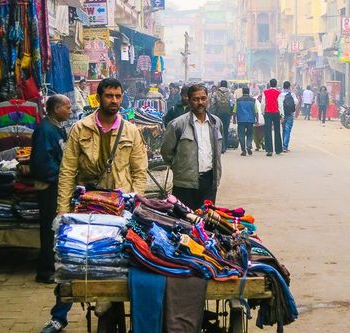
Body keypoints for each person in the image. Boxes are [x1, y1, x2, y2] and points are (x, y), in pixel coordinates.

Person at [41, 78, 148, 333]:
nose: (114, 100)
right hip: (86, 203)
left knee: (120, 257)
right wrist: (62, 210)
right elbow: (67, 171)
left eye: (118, 96)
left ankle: (111, 300)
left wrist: (132, 204)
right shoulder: (80, 128)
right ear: (98, 98)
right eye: (109, 95)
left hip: (118, 206)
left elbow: (139, 173)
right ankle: (59, 316)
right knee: (72, 258)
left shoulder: (131, 131)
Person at [30, 95, 72, 285]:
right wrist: (61, 177)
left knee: (56, 227)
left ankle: (54, 266)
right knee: (49, 228)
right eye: (67, 107)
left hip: (57, 184)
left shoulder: (57, 127)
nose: (70, 110)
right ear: (56, 109)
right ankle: (45, 270)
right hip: (49, 186)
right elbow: (42, 162)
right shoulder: (45, 130)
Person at [161, 84, 223, 210]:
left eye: (203, 98)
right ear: (189, 101)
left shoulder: (216, 123)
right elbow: (166, 152)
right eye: (195, 99)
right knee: (185, 222)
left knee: (206, 221)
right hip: (185, 184)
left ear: (208, 99)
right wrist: (179, 167)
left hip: (209, 182)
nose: (200, 102)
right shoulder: (177, 125)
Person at [233, 86, 258, 156]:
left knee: (241, 135)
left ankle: (243, 150)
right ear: (249, 92)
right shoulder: (253, 100)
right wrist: (257, 120)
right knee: (250, 134)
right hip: (250, 120)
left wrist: (234, 119)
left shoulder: (238, 100)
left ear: (243, 92)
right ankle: (249, 145)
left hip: (241, 120)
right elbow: (256, 111)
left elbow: (234, 111)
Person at [210, 80, 233, 153]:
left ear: (220, 85)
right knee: (226, 130)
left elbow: (213, 104)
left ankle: (219, 147)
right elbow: (232, 104)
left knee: (218, 130)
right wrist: (231, 113)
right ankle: (225, 147)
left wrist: (212, 114)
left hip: (218, 114)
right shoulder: (230, 94)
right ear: (226, 85)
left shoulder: (215, 93)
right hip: (227, 114)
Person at [261, 79, 282, 156]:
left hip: (268, 112)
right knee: (277, 130)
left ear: (270, 84)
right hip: (276, 113)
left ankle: (269, 150)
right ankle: (278, 149)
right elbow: (280, 104)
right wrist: (282, 115)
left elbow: (263, 103)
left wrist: (263, 112)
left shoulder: (265, 92)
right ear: (276, 84)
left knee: (268, 131)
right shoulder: (279, 93)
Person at [278, 81, 299, 152]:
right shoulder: (292, 94)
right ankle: (285, 146)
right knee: (288, 130)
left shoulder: (280, 94)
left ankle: (283, 145)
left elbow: (279, 104)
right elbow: (296, 102)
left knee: (283, 129)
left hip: (282, 114)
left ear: (283, 86)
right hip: (290, 114)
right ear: (289, 87)